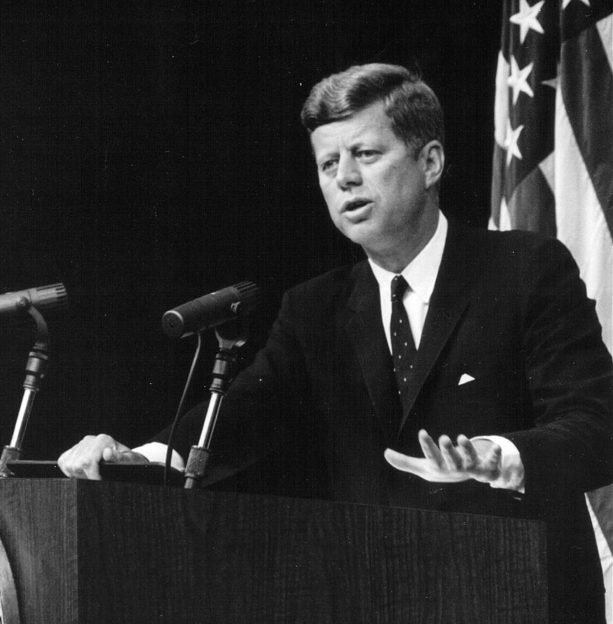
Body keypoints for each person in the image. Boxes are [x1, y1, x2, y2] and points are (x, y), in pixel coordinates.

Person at [58, 63, 613, 622]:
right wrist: (144, 457)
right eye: (328, 163)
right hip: (377, 598)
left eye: (365, 155)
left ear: (430, 162)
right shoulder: (314, 309)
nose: (344, 178)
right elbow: (244, 414)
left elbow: (599, 423)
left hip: (523, 598)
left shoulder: (524, 270)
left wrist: (504, 456)